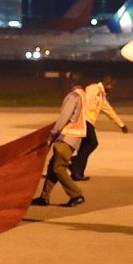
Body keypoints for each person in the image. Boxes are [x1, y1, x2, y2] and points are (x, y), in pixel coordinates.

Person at [32, 78, 88, 207]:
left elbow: (64, 117)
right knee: (53, 167)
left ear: (71, 82)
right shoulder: (83, 96)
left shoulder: (73, 96)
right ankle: (44, 197)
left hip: (67, 136)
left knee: (58, 168)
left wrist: (53, 133)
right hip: (76, 137)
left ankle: (76, 194)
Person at [69, 73, 128, 180]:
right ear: (107, 83)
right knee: (93, 143)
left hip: (88, 122)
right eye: (112, 85)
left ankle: (78, 173)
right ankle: (75, 162)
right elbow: (86, 100)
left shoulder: (101, 96)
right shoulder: (94, 88)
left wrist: (121, 125)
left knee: (84, 147)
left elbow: (109, 111)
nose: (112, 88)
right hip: (84, 119)